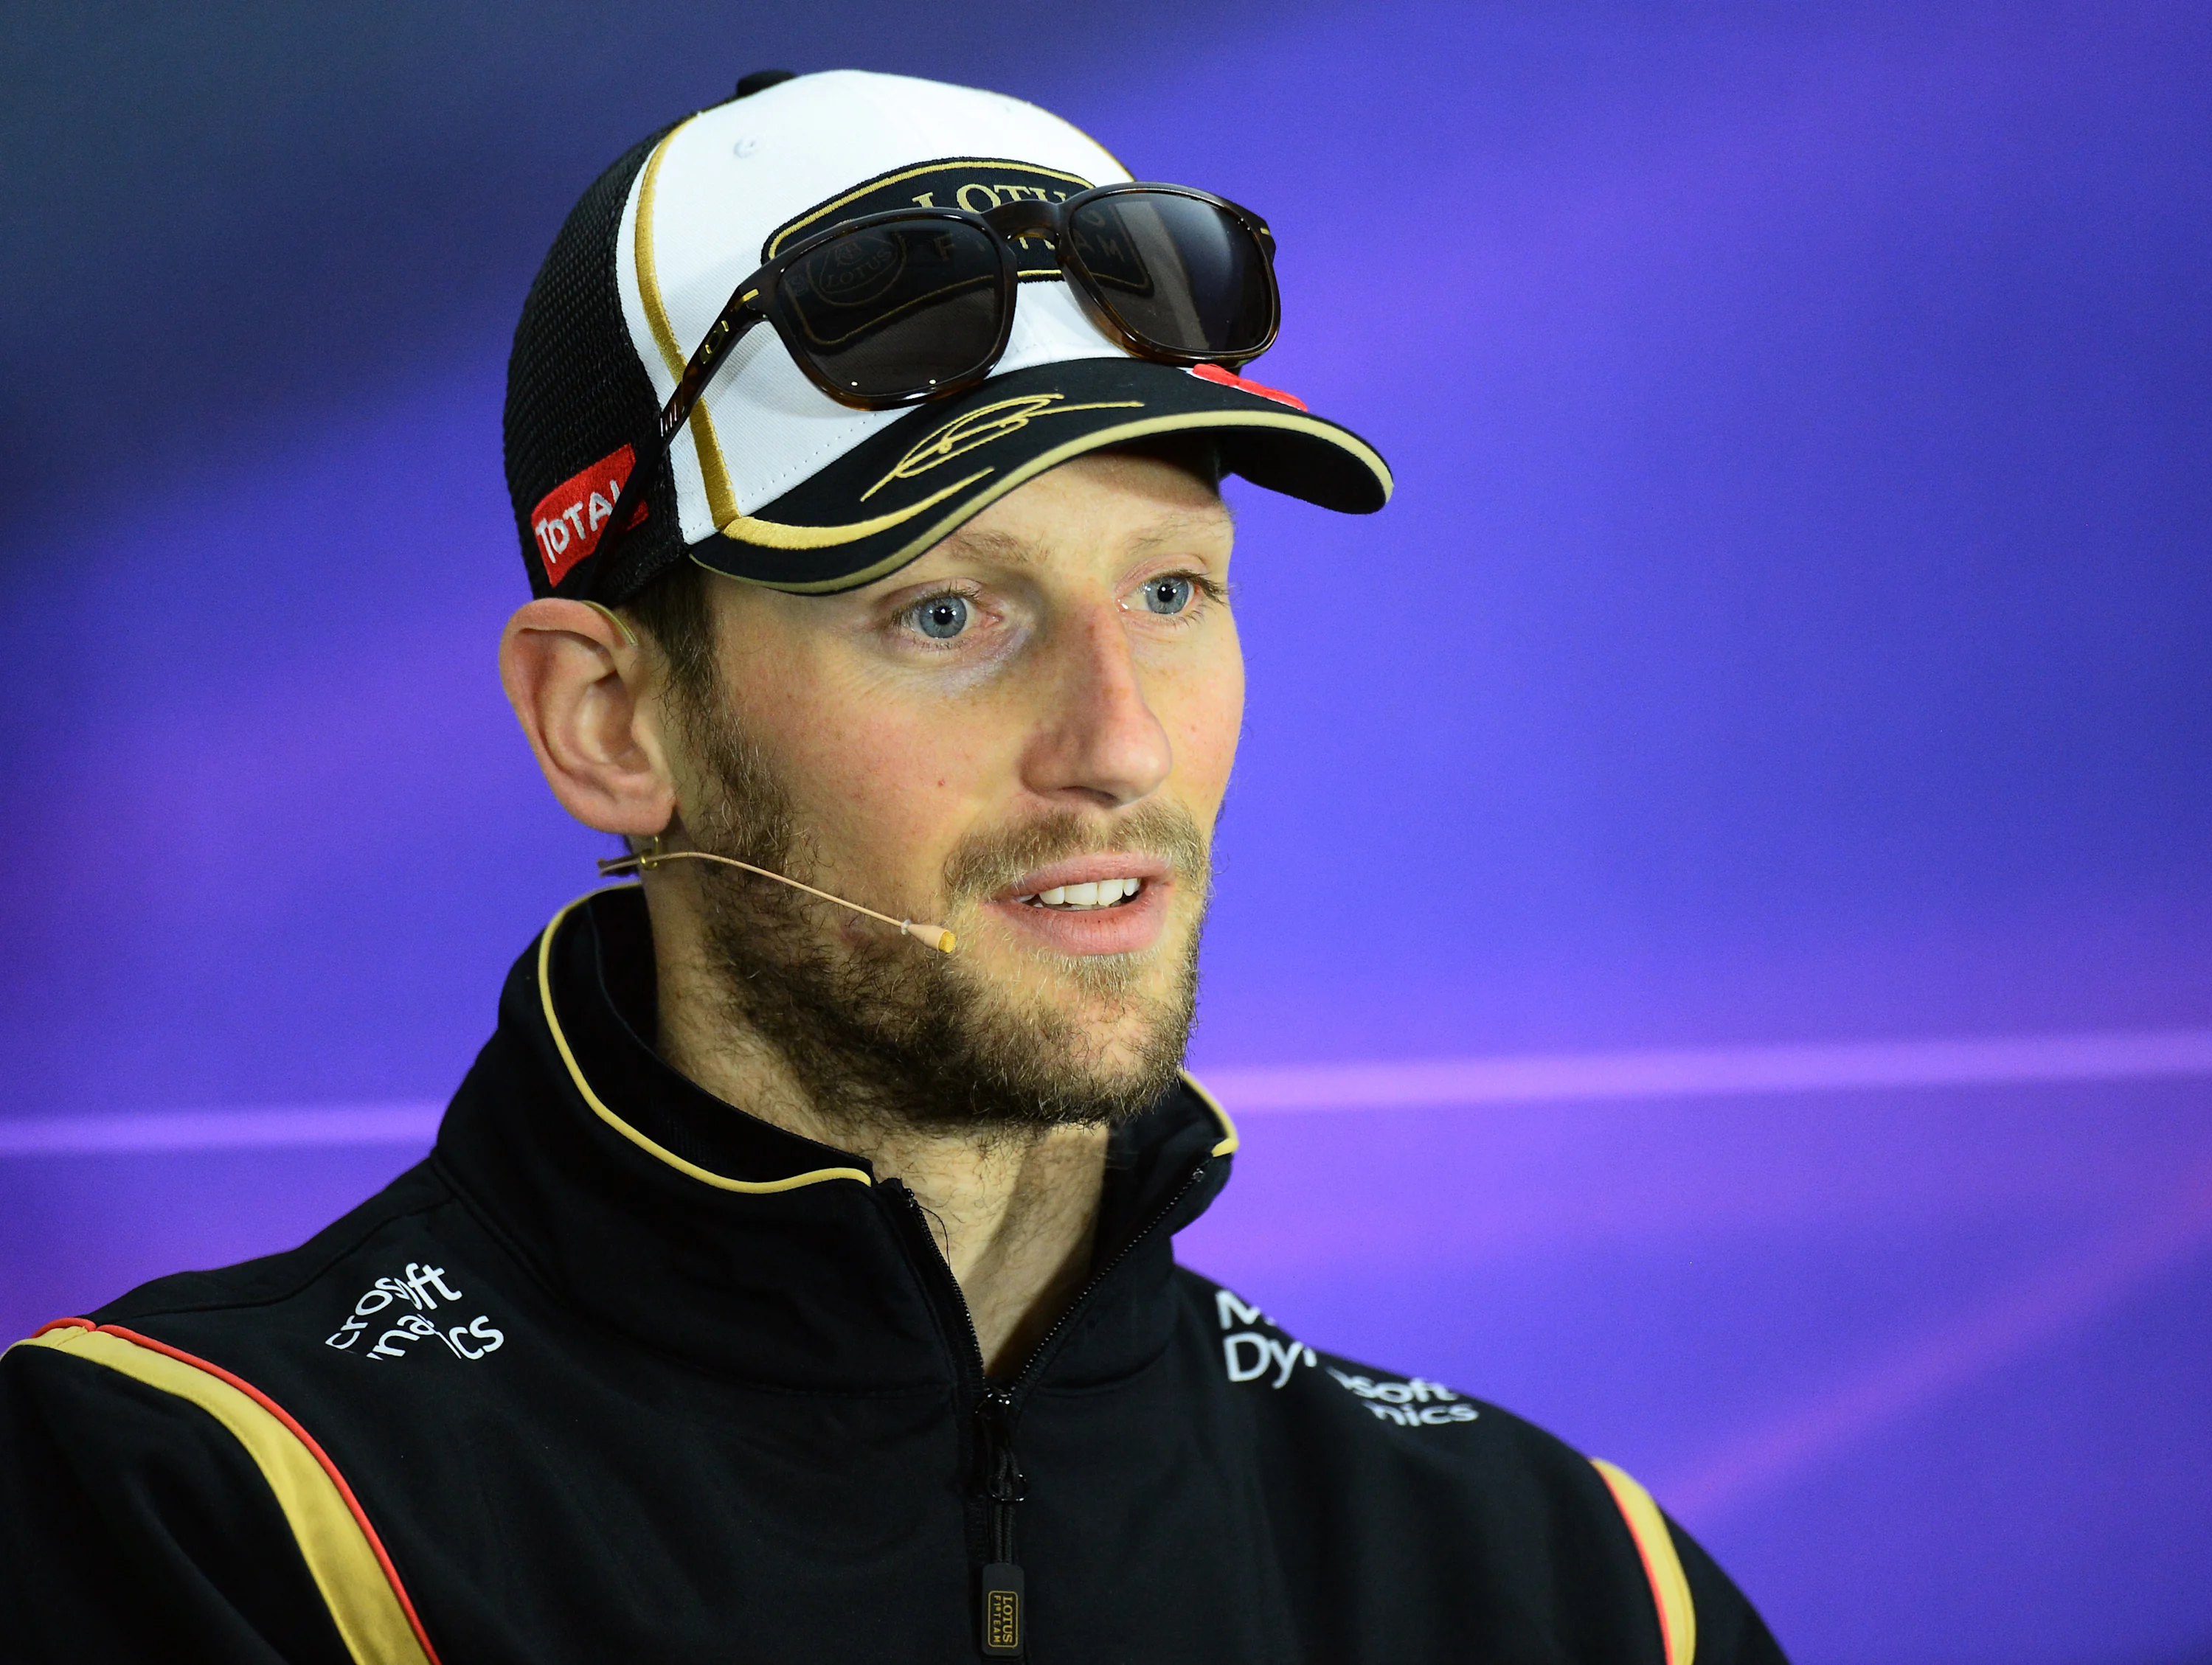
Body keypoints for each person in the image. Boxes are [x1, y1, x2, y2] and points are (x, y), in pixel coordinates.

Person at [0, 69, 1786, 1664]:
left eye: (1170, 592)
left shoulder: (1571, 1588)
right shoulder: (197, 1510)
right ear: (609, 722)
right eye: (946, 612)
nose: (1119, 744)